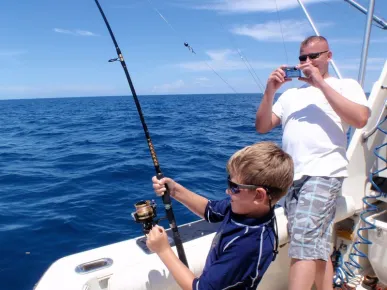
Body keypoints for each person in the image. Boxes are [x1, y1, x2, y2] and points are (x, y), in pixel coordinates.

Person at [255, 35, 370, 290]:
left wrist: (319, 83)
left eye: (314, 56)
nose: (307, 62)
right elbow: (262, 126)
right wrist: (270, 91)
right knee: (314, 243)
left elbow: (361, 118)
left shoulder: (345, 85)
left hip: (325, 173)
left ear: (329, 56)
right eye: (302, 58)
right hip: (291, 178)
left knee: (304, 242)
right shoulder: (290, 96)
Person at [146, 141, 294, 290]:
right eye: (229, 180)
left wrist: (163, 250)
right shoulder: (244, 208)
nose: (228, 191)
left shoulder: (247, 245)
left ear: (258, 195)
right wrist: (175, 190)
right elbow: (210, 210)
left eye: (234, 187)